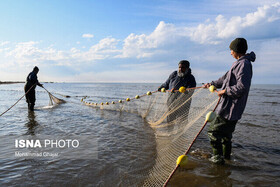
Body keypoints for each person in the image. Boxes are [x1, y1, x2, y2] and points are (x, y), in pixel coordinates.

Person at [203, 38, 256, 164]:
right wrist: (211, 84)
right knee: (226, 136)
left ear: (236, 50)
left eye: (231, 50)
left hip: (230, 109)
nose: (230, 52)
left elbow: (242, 87)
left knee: (213, 132)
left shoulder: (244, 65)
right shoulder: (239, 63)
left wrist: (224, 91)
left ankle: (217, 161)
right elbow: (225, 78)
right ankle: (226, 159)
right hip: (231, 108)